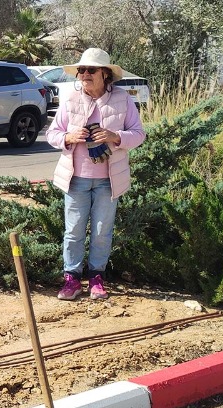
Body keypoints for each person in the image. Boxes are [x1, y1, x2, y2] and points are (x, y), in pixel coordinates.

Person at [46, 47, 146, 301]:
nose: (84, 75)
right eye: (81, 70)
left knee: (102, 231)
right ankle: (71, 279)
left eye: (91, 70)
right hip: (75, 178)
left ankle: (96, 279)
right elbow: (52, 134)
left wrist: (116, 137)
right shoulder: (70, 98)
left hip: (108, 180)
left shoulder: (123, 99)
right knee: (73, 231)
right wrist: (68, 137)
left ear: (105, 74)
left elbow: (139, 134)